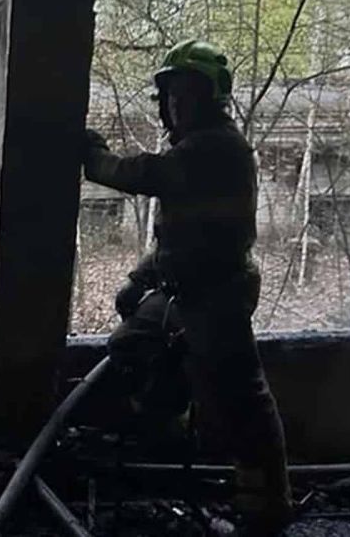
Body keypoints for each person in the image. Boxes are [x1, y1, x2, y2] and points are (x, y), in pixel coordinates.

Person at [83, 40, 292, 534]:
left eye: (188, 92)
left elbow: (145, 174)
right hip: (184, 290)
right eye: (171, 93)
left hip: (217, 295)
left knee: (242, 400)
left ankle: (265, 506)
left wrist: (94, 158)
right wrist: (140, 278)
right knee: (130, 344)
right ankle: (169, 438)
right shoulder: (194, 150)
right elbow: (181, 237)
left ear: (212, 98)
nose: (177, 103)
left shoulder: (216, 148)